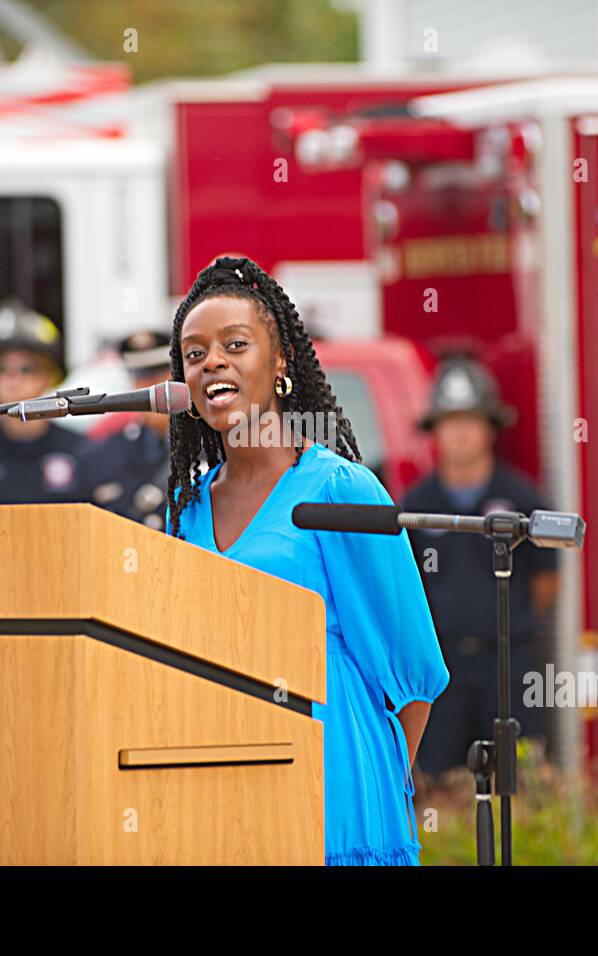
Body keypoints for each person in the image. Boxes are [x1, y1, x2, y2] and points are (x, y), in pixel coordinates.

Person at [165, 255, 449, 866]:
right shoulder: (185, 511)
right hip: (219, 775)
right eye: (194, 353)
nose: (211, 361)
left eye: (235, 345)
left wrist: (376, 789)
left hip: (334, 775)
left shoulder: (340, 489)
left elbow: (413, 672)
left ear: (281, 363)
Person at [401, 356, 559, 777]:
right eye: (450, 421)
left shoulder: (523, 498)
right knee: (440, 782)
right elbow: (404, 590)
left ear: (491, 428)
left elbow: (546, 581)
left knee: (518, 778)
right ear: (435, 430)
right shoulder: (415, 506)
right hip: (441, 669)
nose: (461, 432)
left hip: (509, 664)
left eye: (471, 419)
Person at [0, 297, 90, 503]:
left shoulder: (81, 452)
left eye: (27, 369)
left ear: (49, 377)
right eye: (1, 370)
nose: (13, 381)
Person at [65, 330, 172, 530]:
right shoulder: (97, 457)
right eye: (140, 378)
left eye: (160, 377)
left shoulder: (215, 451)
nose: (149, 389)